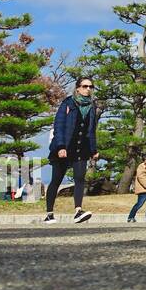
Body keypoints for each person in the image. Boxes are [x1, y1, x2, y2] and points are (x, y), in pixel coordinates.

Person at [43, 77, 100, 224]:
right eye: (85, 86)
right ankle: (49, 213)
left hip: (81, 149)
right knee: (56, 180)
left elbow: (91, 131)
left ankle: (78, 211)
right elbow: (59, 126)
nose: (88, 89)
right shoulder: (68, 103)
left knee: (80, 178)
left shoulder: (92, 107)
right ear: (77, 88)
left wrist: (93, 150)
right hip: (65, 147)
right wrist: (61, 147)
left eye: (91, 87)